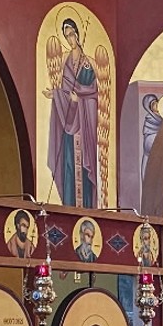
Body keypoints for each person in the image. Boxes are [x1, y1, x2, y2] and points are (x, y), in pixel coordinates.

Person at [44, 17, 100, 208]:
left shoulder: (88, 63)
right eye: (66, 36)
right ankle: (69, 206)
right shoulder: (65, 61)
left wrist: (80, 99)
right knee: (68, 163)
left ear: (77, 34)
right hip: (69, 122)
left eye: (72, 34)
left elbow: (94, 92)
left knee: (83, 165)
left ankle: (86, 206)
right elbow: (66, 90)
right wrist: (56, 94)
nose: (70, 39)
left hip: (84, 125)